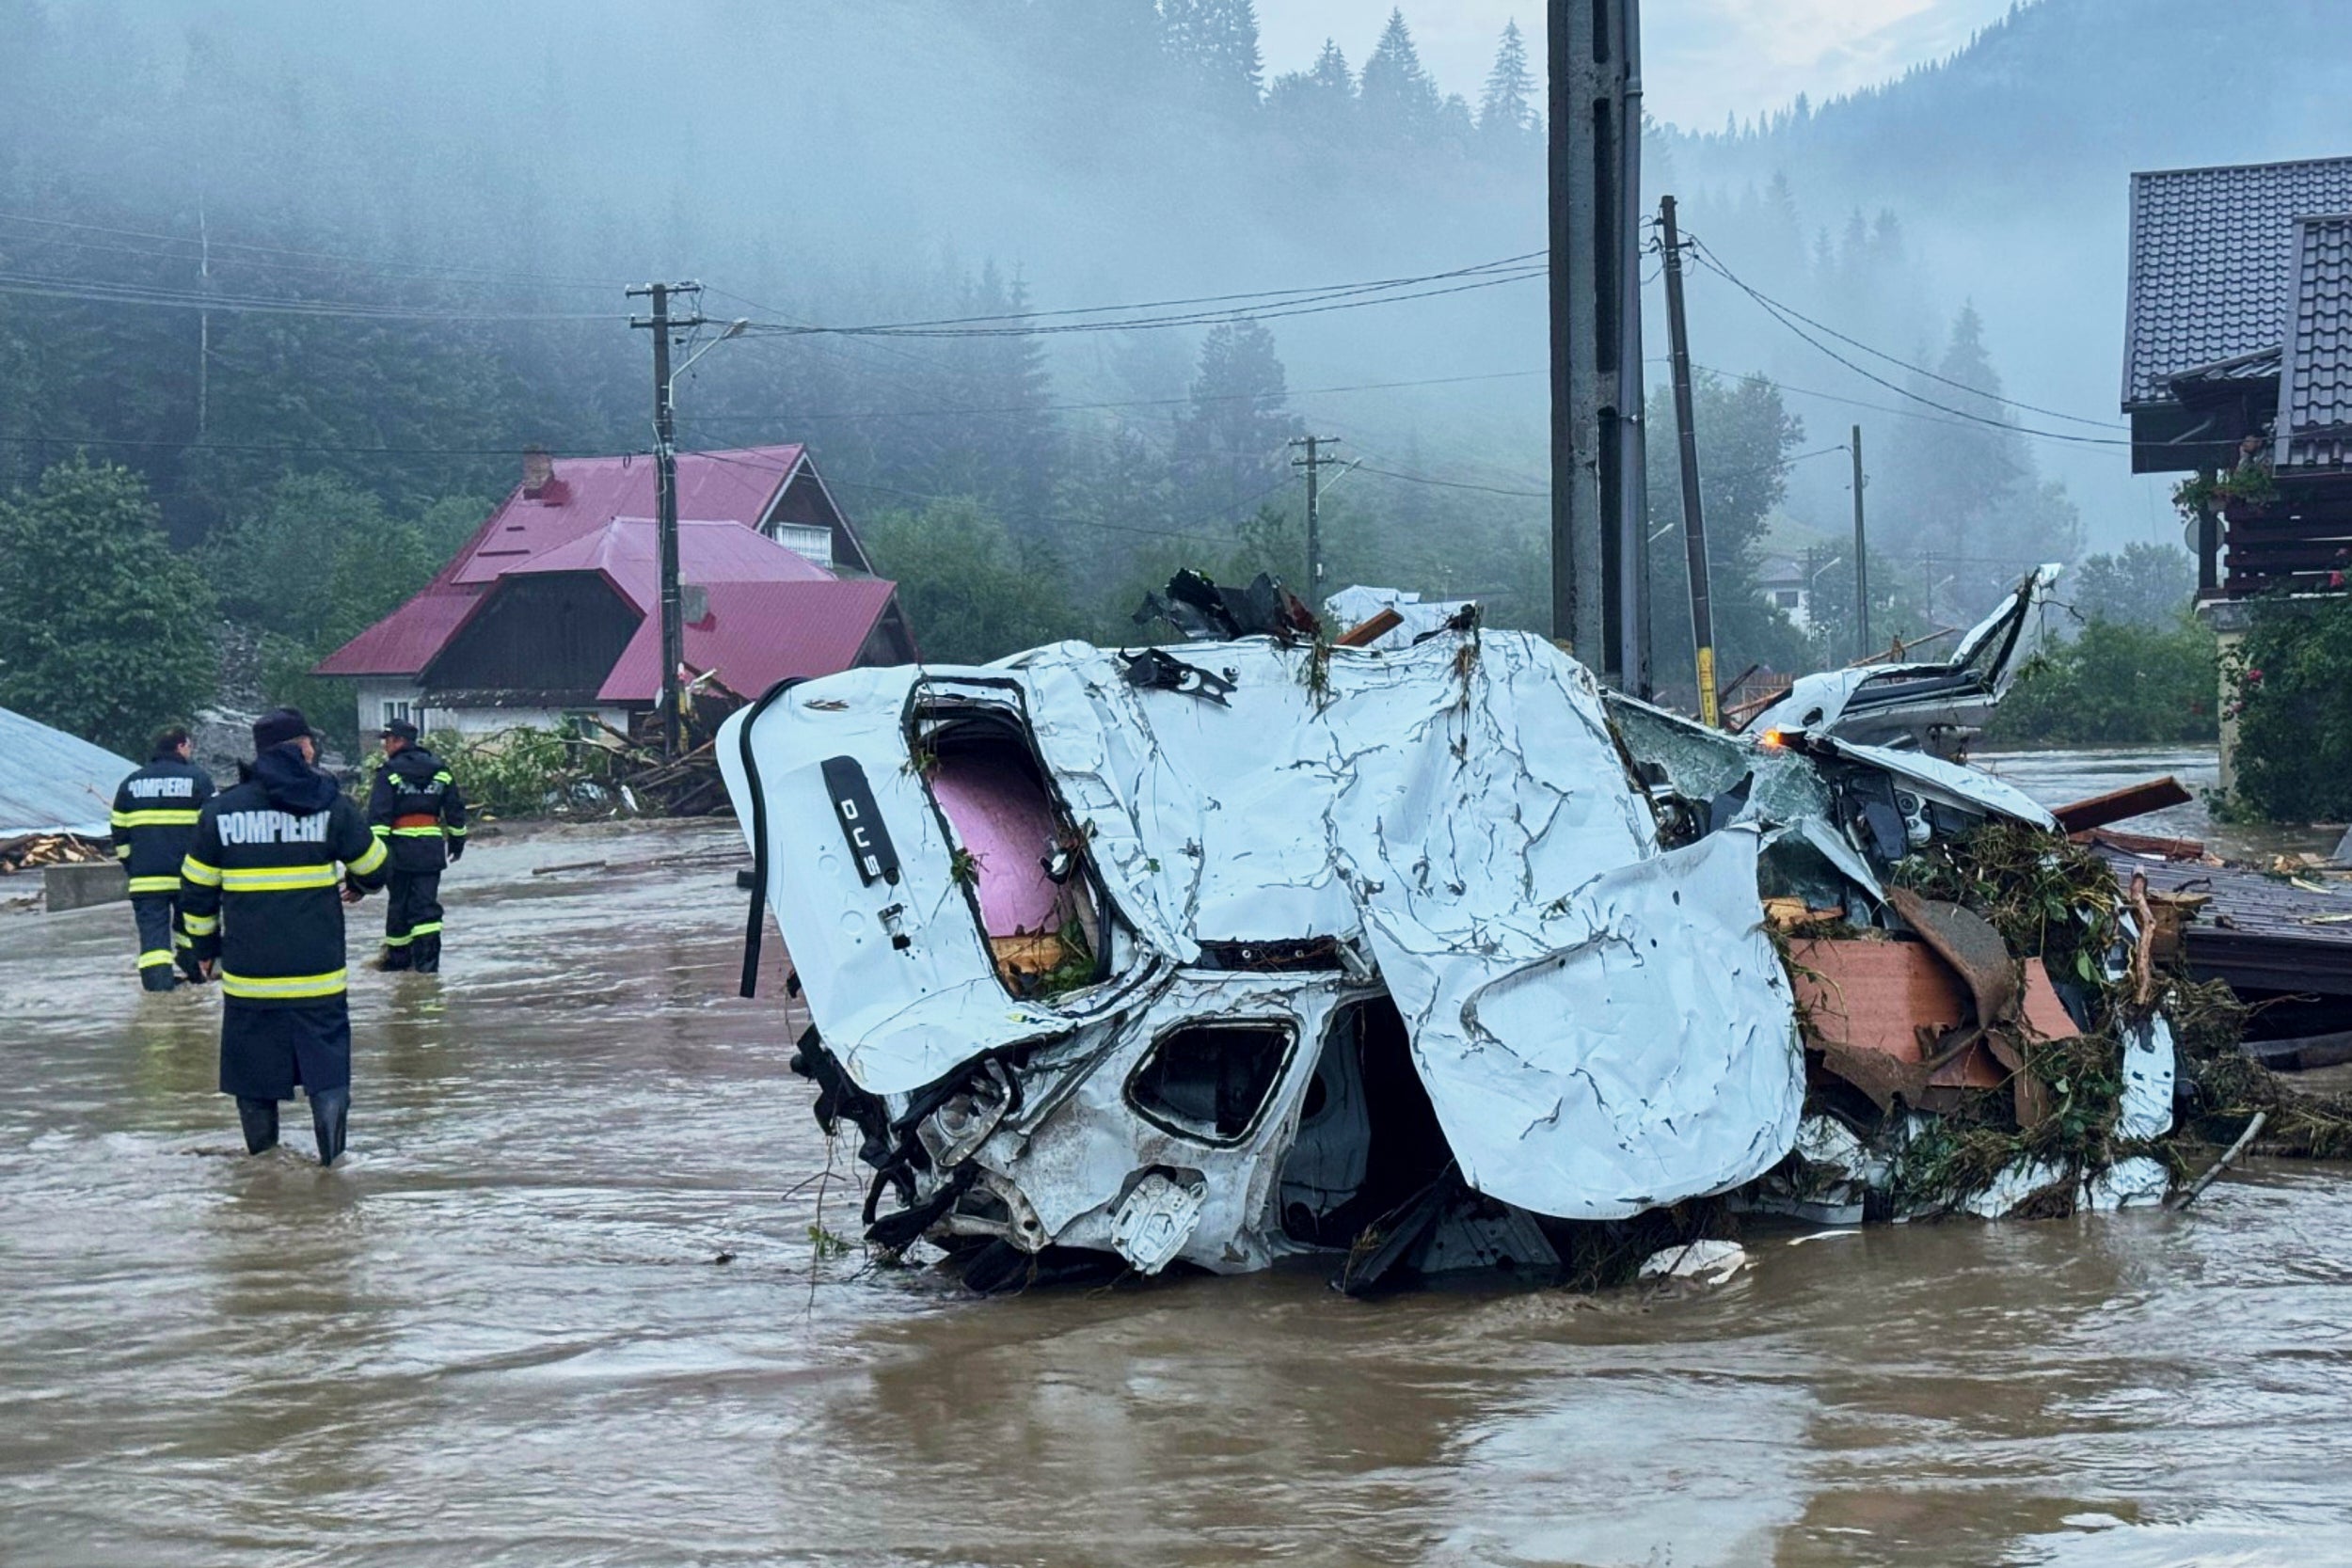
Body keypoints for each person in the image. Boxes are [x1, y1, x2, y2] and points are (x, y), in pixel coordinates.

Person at [180, 707, 388, 1165]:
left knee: (253, 1075)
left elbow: (195, 892)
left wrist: (204, 950)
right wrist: (360, 884)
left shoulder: (220, 812)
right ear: (304, 748)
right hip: (318, 976)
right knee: (327, 1071)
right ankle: (333, 1166)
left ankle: (263, 1169)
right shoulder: (329, 803)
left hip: (250, 980)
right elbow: (375, 866)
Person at [111, 725, 215, 990]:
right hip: (189, 877)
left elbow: (119, 834)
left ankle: (158, 993)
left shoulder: (130, 784)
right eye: (189, 746)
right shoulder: (198, 780)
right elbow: (214, 828)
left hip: (146, 879)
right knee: (190, 929)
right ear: (181, 746)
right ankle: (197, 979)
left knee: (153, 942)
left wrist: (134, 866)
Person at [365, 718, 467, 973]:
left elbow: (378, 819)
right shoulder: (440, 770)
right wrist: (457, 841)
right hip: (430, 852)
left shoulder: (389, 773)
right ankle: (428, 969)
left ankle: (399, 966)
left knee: (399, 905)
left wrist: (375, 856)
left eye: (386, 740)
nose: (384, 746)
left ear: (399, 741)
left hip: (398, 853)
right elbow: (454, 810)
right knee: (425, 905)